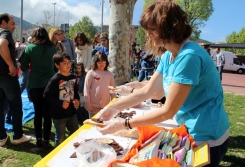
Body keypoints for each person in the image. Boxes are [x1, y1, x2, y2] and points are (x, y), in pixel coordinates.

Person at [95, 1, 229, 167]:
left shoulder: (189, 56)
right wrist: (113, 108)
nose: (148, 34)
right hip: (191, 131)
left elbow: (167, 111)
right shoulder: (168, 56)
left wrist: (123, 124)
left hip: (207, 137)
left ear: (169, 27)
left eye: (152, 29)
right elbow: (148, 91)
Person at [0, 13, 32, 146]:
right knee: (16, 106)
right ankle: (18, 135)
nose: (14, 27)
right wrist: (11, 64)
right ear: (3, 23)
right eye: (12, 23)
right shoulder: (4, 33)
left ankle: (2, 137)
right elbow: (1, 45)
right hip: (7, 76)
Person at [21, 26, 57, 148]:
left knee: (37, 112)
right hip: (50, 84)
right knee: (47, 114)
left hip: (35, 83)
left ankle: (38, 139)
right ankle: (46, 139)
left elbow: (23, 67)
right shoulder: (53, 48)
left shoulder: (29, 48)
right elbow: (56, 66)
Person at [43, 52, 80, 146]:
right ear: (57, 65)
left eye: (69, 62)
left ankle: (75, 153)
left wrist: (77, 100)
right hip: (59, 115)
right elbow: (46, 95)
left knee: (76, 135)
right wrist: (60, 103)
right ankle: (58, 156)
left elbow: (75, 91)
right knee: (60, 139)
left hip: (72, 112)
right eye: (64, 63)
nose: (68, 65)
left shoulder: (73, 77)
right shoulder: (55, 79)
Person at [84, 51, 115, 118]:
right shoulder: (91, 73)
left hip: (106, 106)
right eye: (99, 62)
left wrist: (113, 102)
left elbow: (113, 90)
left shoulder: (109, 74)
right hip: (93, 106)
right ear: (95, 62)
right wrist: (87, 101)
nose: (102, 64)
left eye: (103, 61)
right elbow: (86, 88)